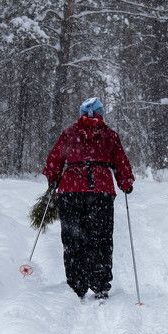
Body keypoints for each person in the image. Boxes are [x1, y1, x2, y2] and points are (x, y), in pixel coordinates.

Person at [44, 97, 134, 301]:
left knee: (73, 237)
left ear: (81, 114)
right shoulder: (110, 135)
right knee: (100, 238)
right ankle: (100, 283)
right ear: (101, 114)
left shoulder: (69, 133)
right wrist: (126, 182)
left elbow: (54, 160)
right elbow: (121, 161)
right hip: (100, 192)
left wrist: (53, 179)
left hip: (71, 191)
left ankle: (77, 283)